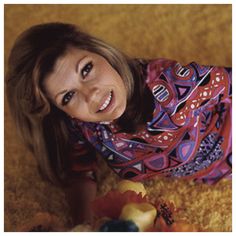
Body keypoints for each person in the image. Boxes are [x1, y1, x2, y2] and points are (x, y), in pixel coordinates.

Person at [6, 22, 232, 226]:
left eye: (86, 69)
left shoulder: (177, 85)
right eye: (68, 96)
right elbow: (80, 172)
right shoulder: (79, 125)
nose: (92, 95)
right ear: (61, 111)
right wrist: (83, 226)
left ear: (100, 52)